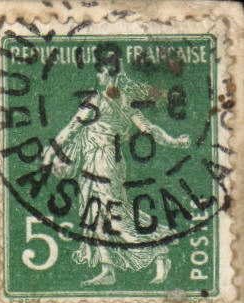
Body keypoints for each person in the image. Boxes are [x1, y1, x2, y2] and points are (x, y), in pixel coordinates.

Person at [46, 61, 192, 286]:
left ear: (111, 76)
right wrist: (175, 141)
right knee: (94, 214)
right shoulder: (124, 103)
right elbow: (150, 130)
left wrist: (50, 152)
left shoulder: (99, 101)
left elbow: (71, 128)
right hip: (97, 162)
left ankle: (159, 247)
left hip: (104, 163)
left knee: (114, 216)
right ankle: (108, 270)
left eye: (103, 71)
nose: (99, 75)